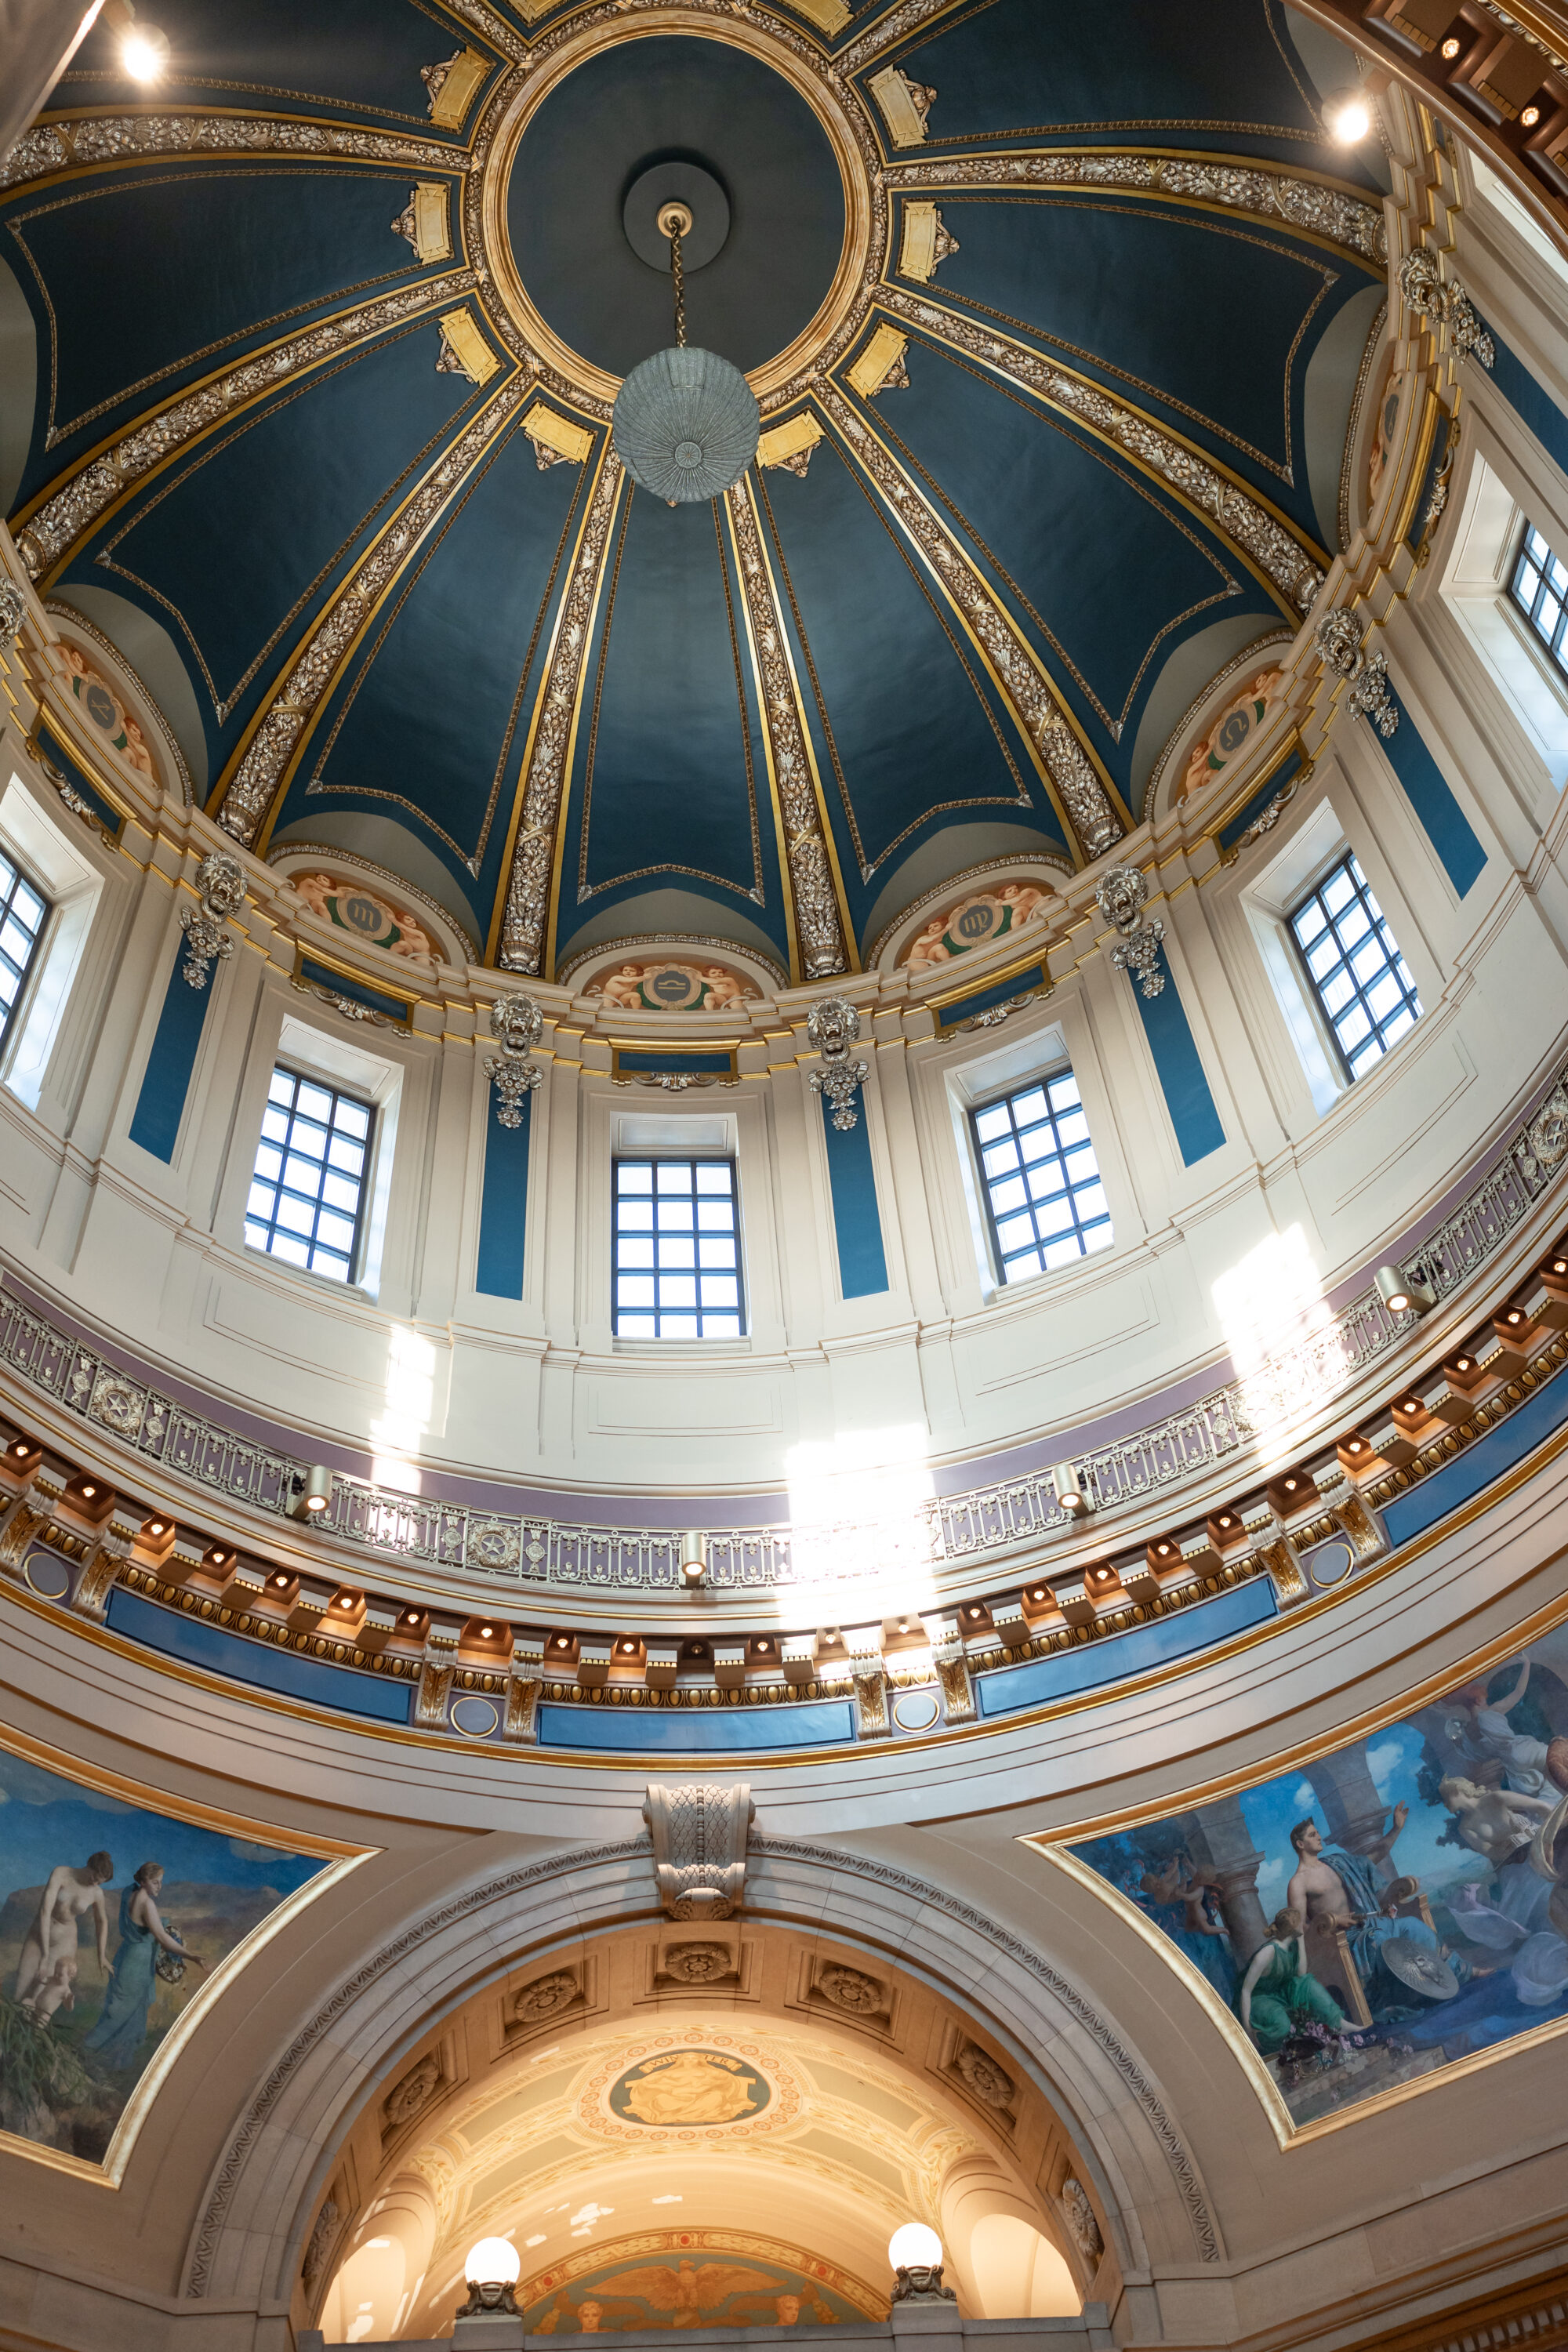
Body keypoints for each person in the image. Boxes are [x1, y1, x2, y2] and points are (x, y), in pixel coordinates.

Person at [82, 1862, 203, 2070]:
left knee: (126, 2012)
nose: (159, 1887)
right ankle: (85, 2052)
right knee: (121, 2013)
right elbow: (163, 1939)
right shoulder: (147, 1904)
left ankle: (114, 2064)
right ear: (144, 1881)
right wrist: (192, 1957)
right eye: (155, 1882)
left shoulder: (128, 1892)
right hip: (137, 1965)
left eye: (161, 1883)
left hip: (126, 1956)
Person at [1237, 1907, 1354, 2055]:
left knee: (1308, 1983)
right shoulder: (1266, 1953)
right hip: (1258, 1999)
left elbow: (1301, 1974)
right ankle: (1274, 2050)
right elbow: (1245, 1990)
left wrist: (1300, 1942)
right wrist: (1247, 2028)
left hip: (1279, 1993)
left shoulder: (1291, 1946)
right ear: (1294, 1928)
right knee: (1282, 2025)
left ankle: (1340, 2024)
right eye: (1300, 1923)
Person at [11, 1851, 112, 2006]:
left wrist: (102, 1955)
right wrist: (45, 1955)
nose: (95, 1884)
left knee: (42, 1995)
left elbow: (102, 1922)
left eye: (100, 1883)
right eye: (94, 1878)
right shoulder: (61, 1873)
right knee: (21, 1988)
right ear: (90, 1867)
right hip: (39, 1933)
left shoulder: (97, 1893)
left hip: (65, 1942)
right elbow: (45, 1911)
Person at [1461, 1662, 1555, 1796]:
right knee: (1559, 1760)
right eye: (1485, 1699)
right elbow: (1519, 1692)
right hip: (1522, 1749)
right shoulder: (1492, 1712)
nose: (1487, 1703)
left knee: (1543, 1789)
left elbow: (1478, 1754)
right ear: (1477, 1701)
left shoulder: (1469, 1733)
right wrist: (1526, 1664)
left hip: (1512, 1765)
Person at [19, 1952, 77, 2027]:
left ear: (70, 1977)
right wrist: (40, 1978)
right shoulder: (52, 1979)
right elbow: (43, 1980)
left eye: (60, 1974)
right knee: (26, 2001)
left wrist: (70, 2001)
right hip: (36, 2004)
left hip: (46, 2012)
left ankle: (36, 2028)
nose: (56, 1975)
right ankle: (27, 2019)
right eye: (55, 1972)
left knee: (43, 2020)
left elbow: (69, 2008)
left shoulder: (66, 1991)